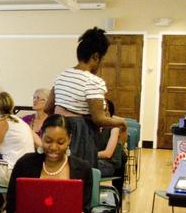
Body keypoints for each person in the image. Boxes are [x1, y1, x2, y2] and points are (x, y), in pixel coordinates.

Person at [46, 27, 126, 168]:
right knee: (80, 176)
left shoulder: (62, 75)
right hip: (80, 136)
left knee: (58, 171)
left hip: (57, 129)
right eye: (101, 59)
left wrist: (62, 118)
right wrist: (120, 123)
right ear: (95, 57)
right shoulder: (93, 81)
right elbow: (98, 119)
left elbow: (48, 107)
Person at [0, 91, 35, 170]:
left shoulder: (1, 123)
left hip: (12, 170)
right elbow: (40, 143)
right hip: (29, 168)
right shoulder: (21, 122)